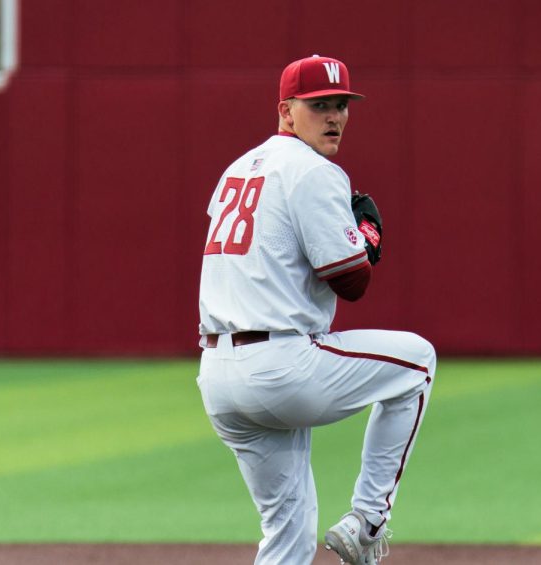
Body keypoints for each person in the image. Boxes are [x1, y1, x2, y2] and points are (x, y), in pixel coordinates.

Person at [196, 54, 436, 565]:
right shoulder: (314, 171)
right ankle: (369, 521)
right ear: (286, 112)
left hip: (218, 375)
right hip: (281, 367)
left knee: (287, 536)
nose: (334, 117)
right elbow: (350, 281)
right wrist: (368, 237)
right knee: (417, 363)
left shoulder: (236, 171)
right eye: (319, 105)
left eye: (341, 105)